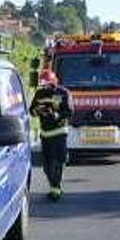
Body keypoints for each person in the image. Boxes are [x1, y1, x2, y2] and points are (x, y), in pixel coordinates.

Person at [30, 69, 73, 201]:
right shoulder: (39, 94)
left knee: (58, 161)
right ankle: (53, 185)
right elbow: (31, 110)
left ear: (54, 81)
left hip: (59, 132)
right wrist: (39, 111)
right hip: (45, 133)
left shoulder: (63, 93)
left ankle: (56, 189)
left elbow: (69, 111)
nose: (45, 86)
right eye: (43, 84)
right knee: (47, 164)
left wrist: (56, 115)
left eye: (47, 84)